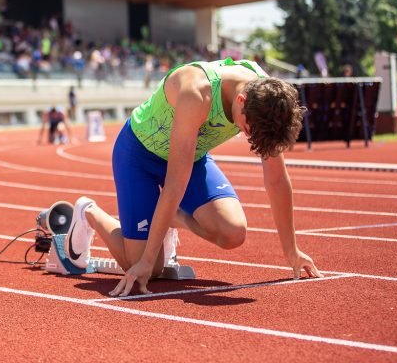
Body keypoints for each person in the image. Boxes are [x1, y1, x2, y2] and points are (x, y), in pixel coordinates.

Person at [64, 57, 322, 297]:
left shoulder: (268, 97)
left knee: (233, 233)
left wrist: (292, 251)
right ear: (241, 100)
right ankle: (89, 212)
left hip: (191, 155)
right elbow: (175, 183)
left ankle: (172, 219)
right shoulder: (196, 92)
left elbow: (276, 180)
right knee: (149, 269)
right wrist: (146, 260)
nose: (249, 137)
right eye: (247, 130)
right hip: (139, 155)